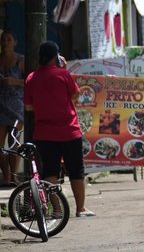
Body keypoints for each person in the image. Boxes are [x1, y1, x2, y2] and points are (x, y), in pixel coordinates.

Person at [24, 41, 95, 217]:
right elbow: (75, 94)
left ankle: (56, 210)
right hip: (69, 132)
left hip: (44, 134)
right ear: (56, 57)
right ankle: (80, 209)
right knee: (76, 171)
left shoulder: (31, 78)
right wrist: (63, 68)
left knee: (50, 171)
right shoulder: (63, 74)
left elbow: (28, 107)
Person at [0, 29, 24, 187]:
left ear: (15, 42)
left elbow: (29, 81)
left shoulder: (21, 60)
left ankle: (14, 176)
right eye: (3, 40)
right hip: (0, 105)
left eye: (9, 40)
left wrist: (14, 81)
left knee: (14, 142)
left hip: (16, 106)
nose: (5, 43)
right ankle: (6, 175)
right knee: (0, 145)